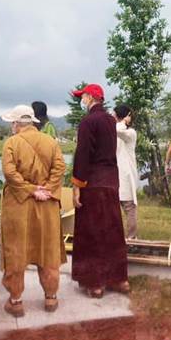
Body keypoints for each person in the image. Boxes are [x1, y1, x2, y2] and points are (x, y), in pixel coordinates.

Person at [0, 105, 67, 317]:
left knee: (16, 251)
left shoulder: (11, 143)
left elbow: (9, 172)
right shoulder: (51, 142)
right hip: (47, 204)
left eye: (12, 122)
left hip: (19, 205)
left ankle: (16, 301)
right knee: (48, 250)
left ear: (16, 124)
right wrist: (46, 189)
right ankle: (50, 298)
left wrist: (30, 189)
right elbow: (60, 168)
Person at [70, 83, 129, 299]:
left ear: (90, 97)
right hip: (111, 181)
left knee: (91, 231)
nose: (81, 100)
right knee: (112, 229)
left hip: (93, 183)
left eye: (82, 96)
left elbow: (83, 154)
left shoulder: (88, 122)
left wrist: (77, 185)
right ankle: (119, 279)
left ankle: (95, 283)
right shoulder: (110, 121)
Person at [113, 104, 138, 239]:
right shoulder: (123, 131)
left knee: (126, 209)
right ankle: (126, 239)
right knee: (126, 209)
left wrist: (121, 121)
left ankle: (129, 238)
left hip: (122, 175)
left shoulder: (129, 133)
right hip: (121, 175)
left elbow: (119, 132)